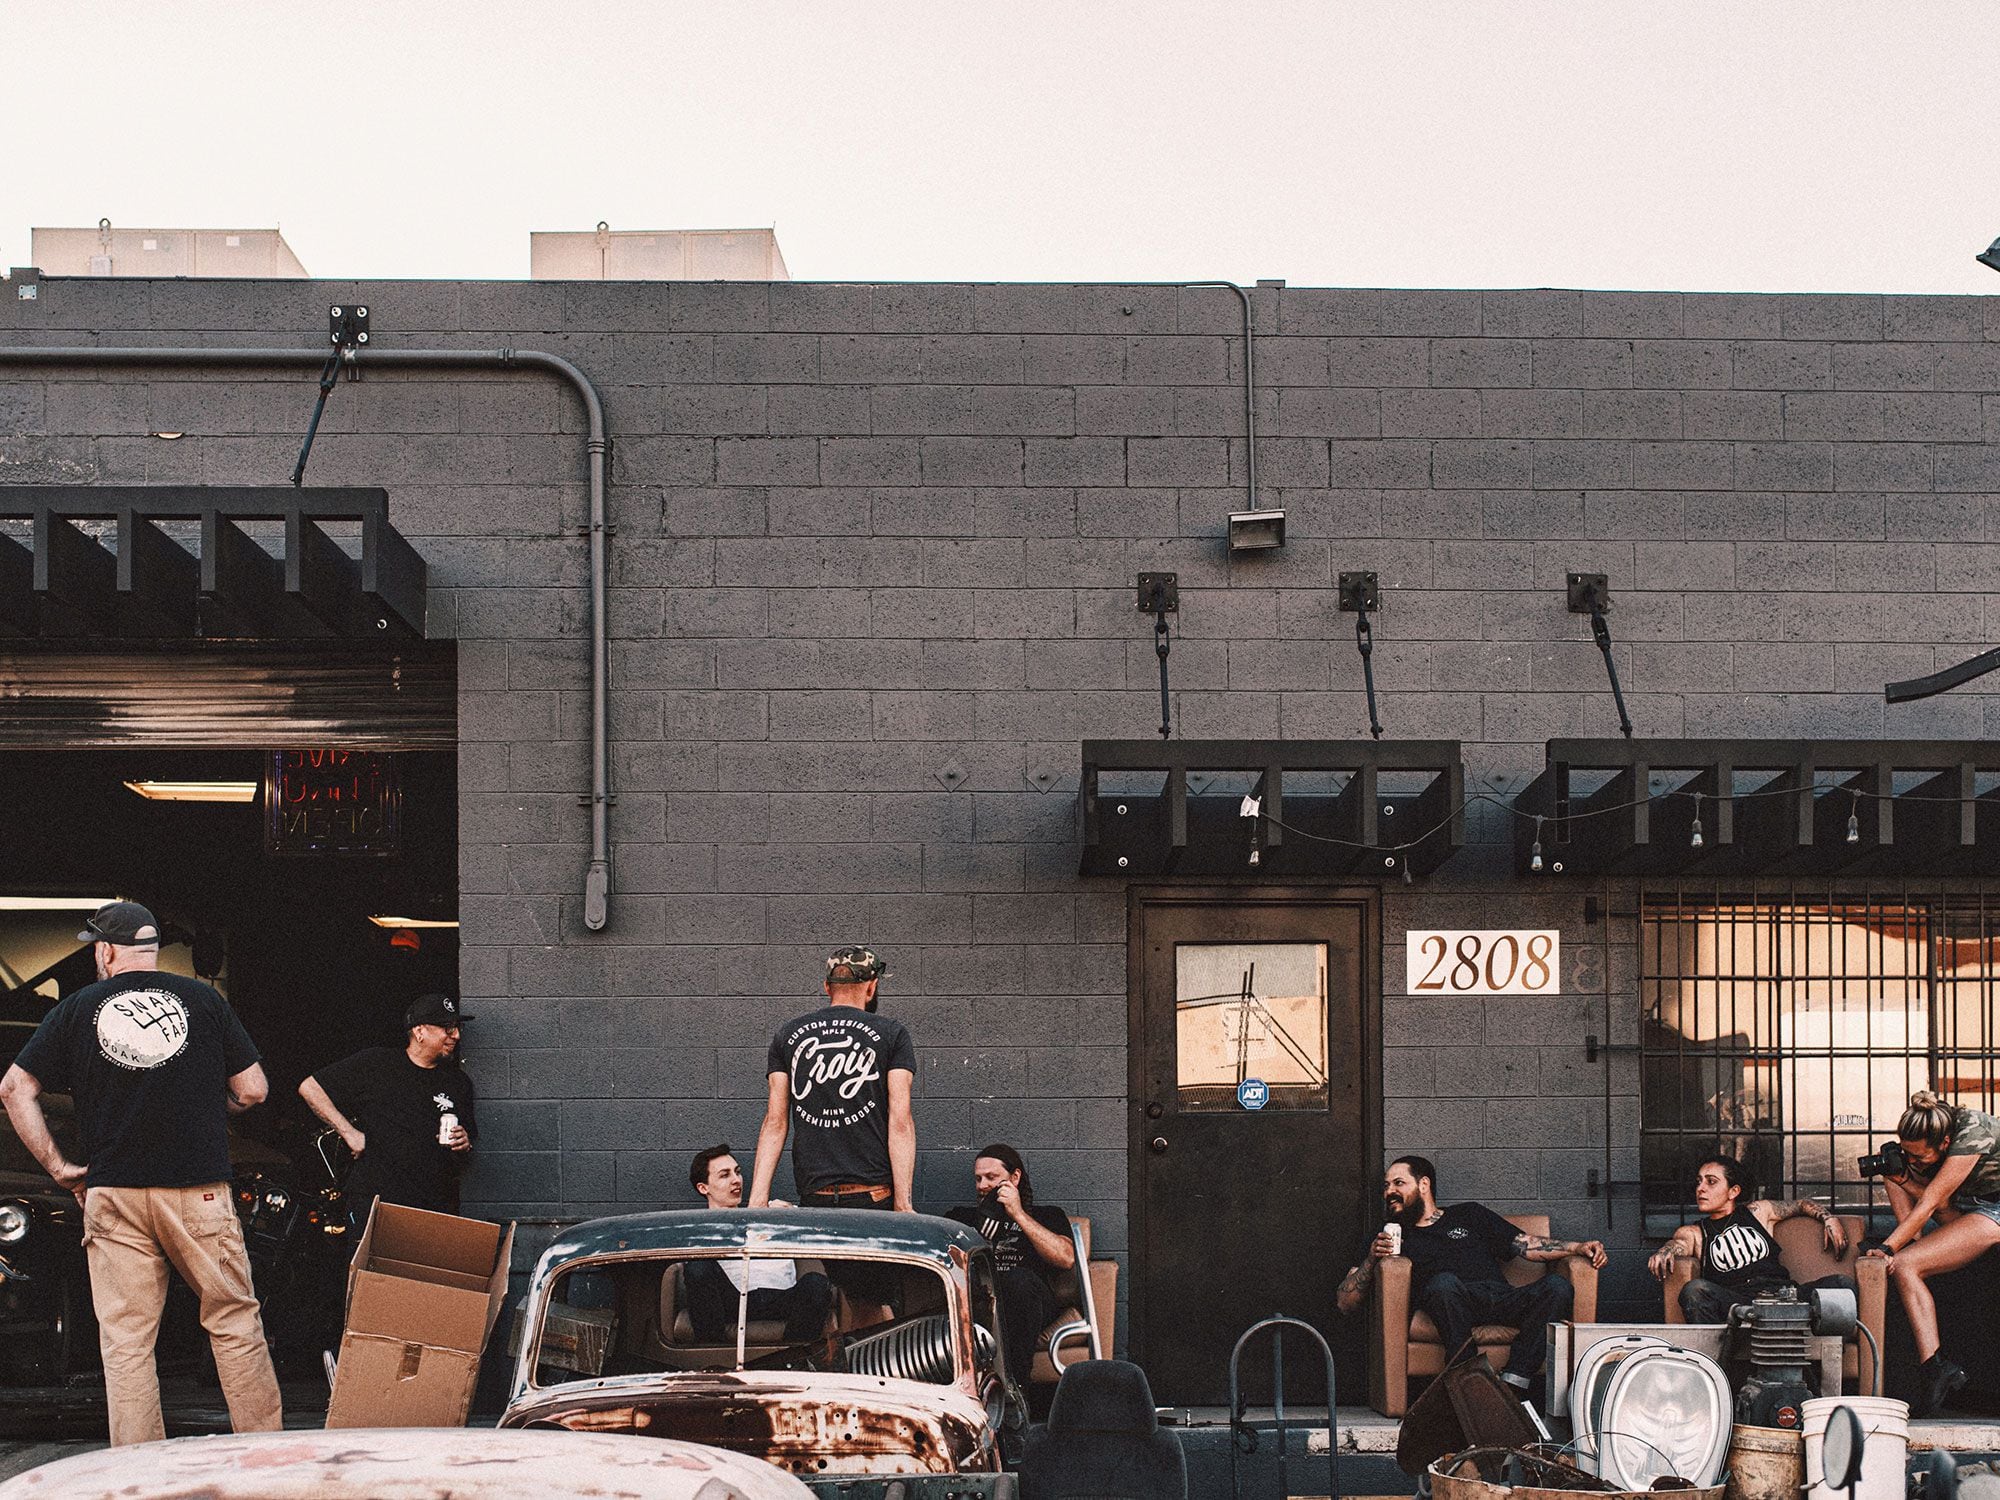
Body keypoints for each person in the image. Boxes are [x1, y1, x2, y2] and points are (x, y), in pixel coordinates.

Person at [0, 902, 282, 1446]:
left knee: (127, 1340)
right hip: (197, 1193)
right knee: (232, 1321)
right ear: (152, 951)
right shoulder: (204, 1001)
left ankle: (137, 1468)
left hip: (114, 1194)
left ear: (105, 951)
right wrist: (209, 1106)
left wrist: (61, 1170)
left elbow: (14, 1089)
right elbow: (254, 1090)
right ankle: (264, 1452)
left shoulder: (77, 1009)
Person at [1335, 1154, 1606, 1396]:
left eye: (1398, 1183)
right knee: (1443, 1282)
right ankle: (1471, 1380)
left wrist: (1577, 1247)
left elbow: (1527, 1246)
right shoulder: (1387, 1234)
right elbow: (1345, 1303)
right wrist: (1372, 1258)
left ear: (1424, 1185)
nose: (1389, 1192)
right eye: (1386, 1186)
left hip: (1499, 1297)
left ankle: (1514, 1381)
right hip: (1449, 1303)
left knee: (1557, 1287)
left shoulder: (1469, 1214)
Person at [1861, 1089, 2000, 1415]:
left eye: (1920, 1157)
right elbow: (1934, 1206)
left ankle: (1937, 1371)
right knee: (1892, 1174)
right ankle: (1936, 1368)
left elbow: (1931, 1202)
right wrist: (1901, 1174)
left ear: (1946, 1143)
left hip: (1994, 1207)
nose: (1913, 1162)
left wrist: (1887, 1248)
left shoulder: (1972, 1135)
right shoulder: (1927, 1142)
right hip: (1969, 1207)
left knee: (1906, 1264)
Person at [749, 947, 915, 1214]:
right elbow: (900, 1121)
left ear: (827, 987)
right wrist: (904, 1205)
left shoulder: (788, 1035)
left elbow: (775, 1121)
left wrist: (757, 1199)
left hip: (815, 1195)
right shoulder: (892, 1034)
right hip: (873, 1195)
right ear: (871, 987)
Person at [298, 993, 477, 1227]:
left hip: (431, 1207)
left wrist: (464, 1142)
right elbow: (309, 1087)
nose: (456, 1035)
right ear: (419, 1031)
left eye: (457, 1027)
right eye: (447, 1028)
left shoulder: (458, 1083)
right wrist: (350, 1134)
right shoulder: (377, 1064)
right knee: (368, 1265)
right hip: (374, 1202)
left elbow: (467, 1141)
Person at [1645, 1153, 1852, 1322]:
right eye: (1699, 1182)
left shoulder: (1758, 1212)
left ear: (1733, 1191)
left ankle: (1817, 1353)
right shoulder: (1696, 1233)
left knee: (1842, 1285)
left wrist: (1829, 1219)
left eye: (1711, 1182)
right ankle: (1716, 1369)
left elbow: (1800, 1205)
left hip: (1784, 1295)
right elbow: (1678, 1244)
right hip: (1738, 1303)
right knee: (1694, 1290)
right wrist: (1664, 1252)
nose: (1701, 1189)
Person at [946, 1144, 1077, 1384]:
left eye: (991, 1177)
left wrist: (1018, 1214)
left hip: (1029, 1301)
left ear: (1014, 1178)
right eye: (978, 1178)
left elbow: (1066, 1258)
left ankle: (1014, 1389)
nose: (982, 1185)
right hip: (979, 1302)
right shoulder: (960, 1218)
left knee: (1018, 1280)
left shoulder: (1047, 1215)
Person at [681, 1144, 834, 1342]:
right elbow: (699, 1277)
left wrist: (792, 1215)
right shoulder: (700, 1228)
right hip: (732, 1301)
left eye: (737, 1172)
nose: (736, 1180)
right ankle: (712, 1359)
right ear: (704, 1188)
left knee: (816, 1283)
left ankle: (792, 1360)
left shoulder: (771, 1215)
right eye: (724, 1175)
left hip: (781, 1298)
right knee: (698, 1268)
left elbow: (820, 1229)